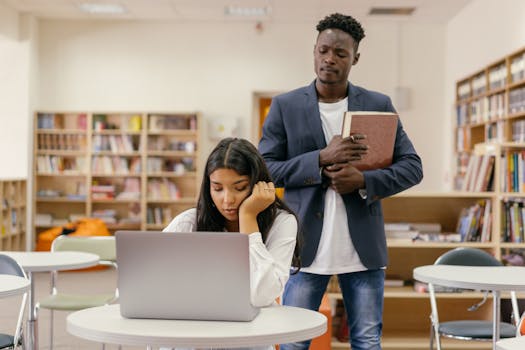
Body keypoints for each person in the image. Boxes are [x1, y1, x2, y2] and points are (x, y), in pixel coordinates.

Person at [258, 13, 423, 350]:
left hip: (362, 251)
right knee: (292, 343)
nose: (329, 59)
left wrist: (363, 180)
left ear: (355, 58)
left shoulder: (379, 104)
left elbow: (412, 167)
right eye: (323, 50)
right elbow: (266, 168)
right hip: (304, 249)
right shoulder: (285, 106)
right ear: (314, 51)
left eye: (340, 53)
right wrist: (320, 159)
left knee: (367, 341)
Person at [164, 137, 301, 309]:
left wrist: (248, 217)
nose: (227, 200)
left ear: (258, 184)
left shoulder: (282, 223)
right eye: (218, 189)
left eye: (240, 188)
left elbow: (261, 295)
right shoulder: (189, 222)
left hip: (259, 326)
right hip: (201, 320)